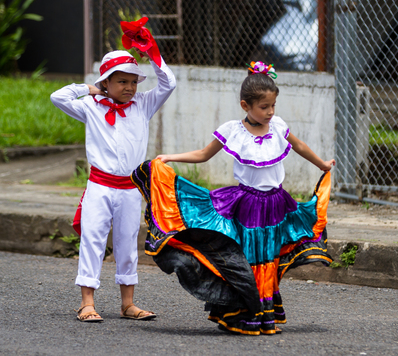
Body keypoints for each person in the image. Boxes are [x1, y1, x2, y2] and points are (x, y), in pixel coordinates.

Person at [131, 61, 335, 335]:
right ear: (245, 106)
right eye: (264, 107)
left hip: (276, 205)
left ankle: (265, 314)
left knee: (269, 260)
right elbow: (204, 154)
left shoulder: (278, 126)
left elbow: (298, 146)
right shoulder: (232, 131)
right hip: (247, 207)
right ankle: (244, 315)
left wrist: (322, 164)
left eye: (273, 106)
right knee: (248, 261)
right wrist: (170, 157)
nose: (270, 112)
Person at [50, 47, 176, 322]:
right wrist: (91, 89)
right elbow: (57, 96)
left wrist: (153, 54)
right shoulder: (90, 107)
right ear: (105, 81)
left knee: (128, 244)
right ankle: (87, 303)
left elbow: (169, 82)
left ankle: (128, 304)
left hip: (130, 189)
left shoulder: (144, 104)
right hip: (100, 187)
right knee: (92, 241)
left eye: (133, 81)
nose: (130, 87)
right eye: (122, 81)